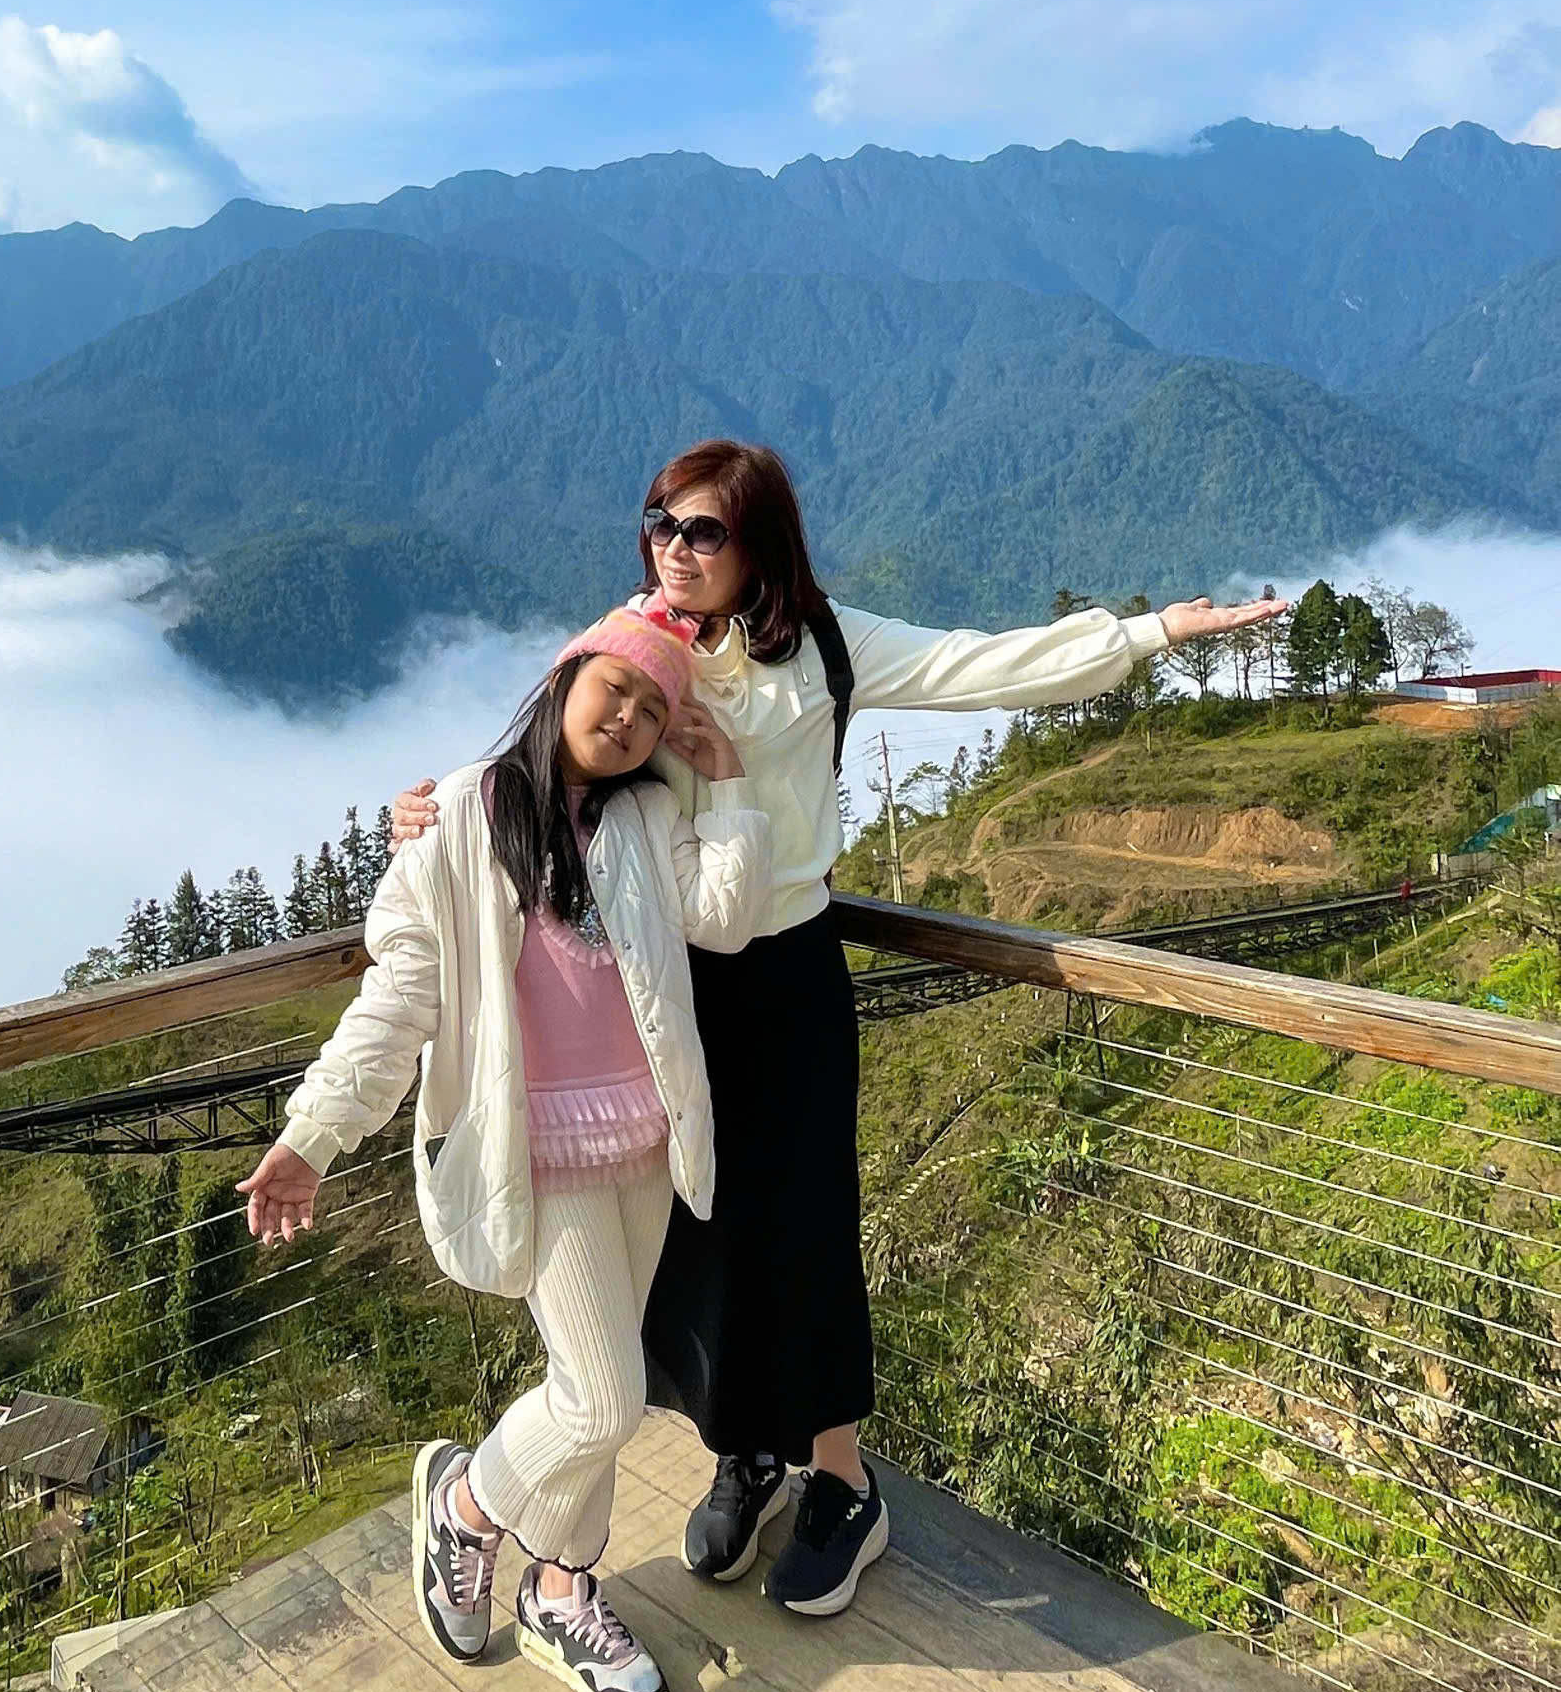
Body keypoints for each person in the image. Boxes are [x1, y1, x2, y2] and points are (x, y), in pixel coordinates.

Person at [394, 438, 1288, 1618]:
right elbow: (560, 743)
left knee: (807, 1229)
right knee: (701, 1243)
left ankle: (842, 1482)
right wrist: (437, 805)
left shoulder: (825, 643)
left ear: (759, 543)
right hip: (668, 989)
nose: (675, 549)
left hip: (789, 976)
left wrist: (1150, 634)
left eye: (704, 530)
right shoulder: (639, 637)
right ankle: (745, 1449)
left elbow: (980, 666)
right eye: (661, 522)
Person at [237, 599, 770, 1692]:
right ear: (564, 678)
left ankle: (562, 1590)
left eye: (651, 710)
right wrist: (313, 1135)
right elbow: (398, 1001)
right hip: (536, 1154)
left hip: (645, 1138)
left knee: (601, 1377)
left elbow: (725, 917)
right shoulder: (457, 820)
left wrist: (723, 782)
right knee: (603, 1399)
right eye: (613, 690)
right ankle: (467, 1508)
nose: (627, 720)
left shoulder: (644, 814)